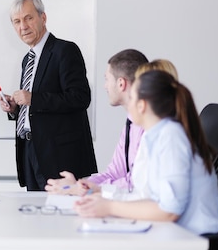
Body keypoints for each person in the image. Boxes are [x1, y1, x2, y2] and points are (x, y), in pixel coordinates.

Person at [68, 70, 218, 250]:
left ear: (142, 105)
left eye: (131, 97)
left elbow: (169, 210)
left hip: (194, 248)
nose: (128, 102)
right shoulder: (155, 135)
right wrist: (99, 196)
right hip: (171, 239)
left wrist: (110, 206)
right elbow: (144, 195)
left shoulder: (171, 137)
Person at [0, 0, 97, 250]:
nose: (23, 26)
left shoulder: (65, 51)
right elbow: (35, 109)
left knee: (62, 225)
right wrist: (15, 109)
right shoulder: (27, 59)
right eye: (17, 21)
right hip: (32, 151)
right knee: (40, 223)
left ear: (43, 17)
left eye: (28, 18)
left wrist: (33, 98)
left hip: (61, 155)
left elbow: (81, 98)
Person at [45, 49, 148, 196]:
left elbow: (135, 183)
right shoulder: (131, 123)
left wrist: (91, 189)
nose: (105, 86)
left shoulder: (149, 125)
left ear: (121, 84)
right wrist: (81, 185)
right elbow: (114, 172)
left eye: (107, 79)